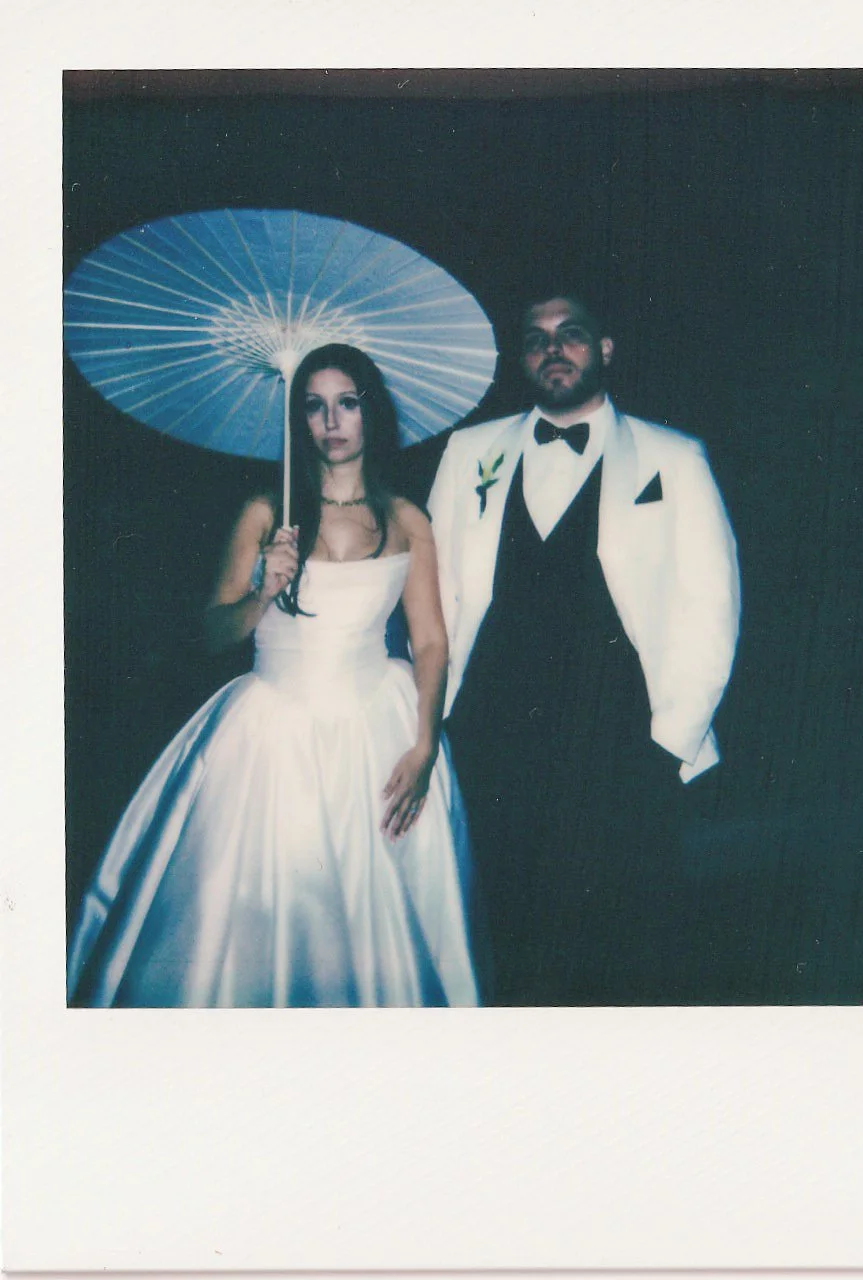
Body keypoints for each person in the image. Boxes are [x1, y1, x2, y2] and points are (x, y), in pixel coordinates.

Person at [68, 343, 480, 1008]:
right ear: (300, 422)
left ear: (370, 412)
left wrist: (426, 742)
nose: (332, 421)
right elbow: (210, 632)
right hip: (268, 735)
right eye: (314, 407)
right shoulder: (267, 513)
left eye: (347, 402)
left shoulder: (407, 520)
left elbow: (431, 640)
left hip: (378, 729)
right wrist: (263, 590)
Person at [427, 293, 740, 1005]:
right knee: (498, 932)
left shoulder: (675, 457)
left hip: (621, 738)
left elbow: (710, 610)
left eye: (571, 335)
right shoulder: (469, 452)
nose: (553, 349)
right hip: (491, 734)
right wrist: (438, 722)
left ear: (603, 349)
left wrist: (669, 745)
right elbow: (438, 595)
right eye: (536, 339)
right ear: (520, 357)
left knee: (614, 946)